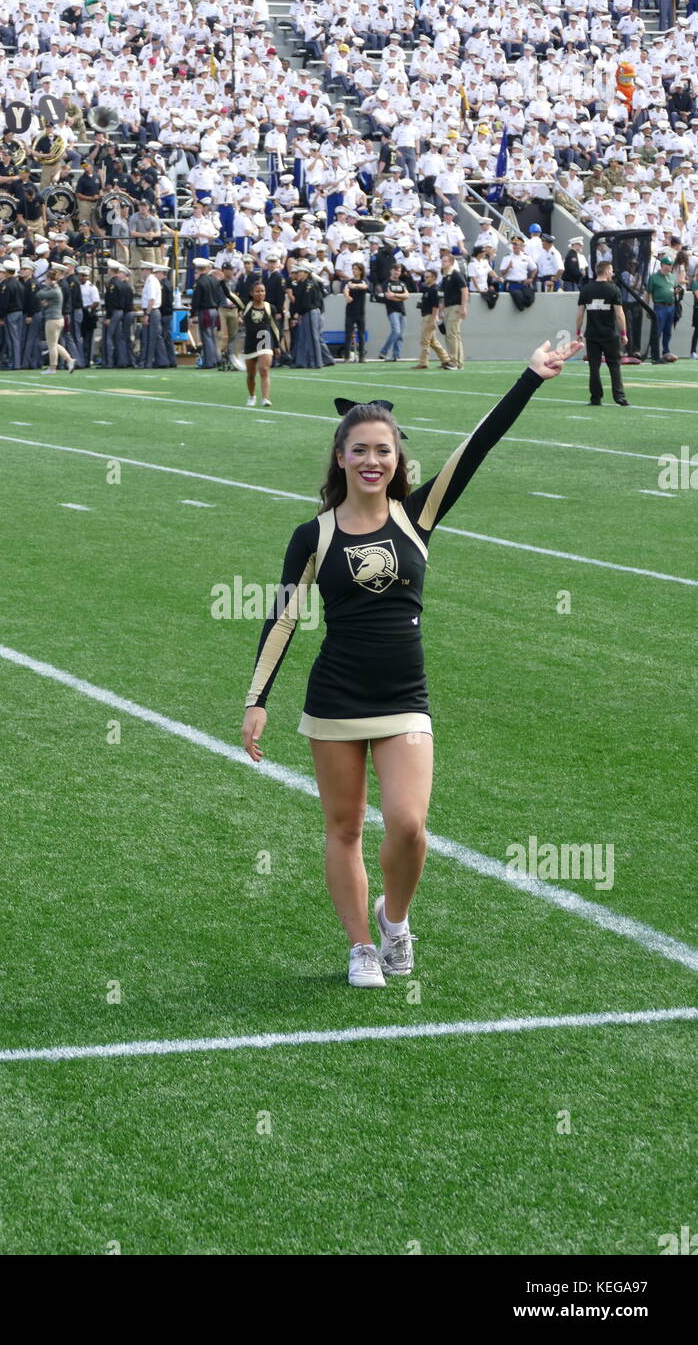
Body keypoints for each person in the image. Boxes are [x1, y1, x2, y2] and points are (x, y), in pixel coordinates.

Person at [241, 337, 583, 987]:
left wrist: (531, 378)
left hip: (403, 696)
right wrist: (257, 701)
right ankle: (362, 946)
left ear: (397, 458)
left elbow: (475, 448)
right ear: (340, 457)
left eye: (383, 449)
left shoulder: (417, 514)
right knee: (342, 829)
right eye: (360, 449)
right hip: (335, 698)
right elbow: (284, 616)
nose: (372, 459)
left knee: (408, 825)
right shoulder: (311, 534)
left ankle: (395, 920)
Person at [576, 260, 629, 407]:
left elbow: (580, 313)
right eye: (611, 270)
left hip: (592, 335)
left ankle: (595, 398)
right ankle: (619, 397)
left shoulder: (586, 290)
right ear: (606, 272)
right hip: (609, 335)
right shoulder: (613, 289)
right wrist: (623, 332)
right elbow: (619, 314)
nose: (612, 273)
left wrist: (578, 331)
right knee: (614, 366)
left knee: (594, 367)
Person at [241, 280, 281, 408]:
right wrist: (222, 282)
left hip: (265, 340)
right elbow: (230, 296)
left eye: (262, 291)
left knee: (264, 369)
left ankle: (265, 398)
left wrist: (277, 346)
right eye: (257, 291)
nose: (260, 293)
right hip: (251, 342)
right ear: (252, 293)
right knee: (251, 375)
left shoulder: (270, 307)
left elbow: (274, 327)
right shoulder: (246, 305)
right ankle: (252, 396)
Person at [412, 266, 455, 370]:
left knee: (425, 341)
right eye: (425, 277)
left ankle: (423, 362)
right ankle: (446, 360)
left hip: (430, 317)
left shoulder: (434, 290)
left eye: (428, 277)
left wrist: (433, 320)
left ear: (434, 278)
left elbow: (436, 306)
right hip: (427, 316)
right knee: (433, 341)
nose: (425, 279)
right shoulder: (429, 289)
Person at [36, 267, 75, 374]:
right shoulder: (56, 289)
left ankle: (53, 367)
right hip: (57, 319)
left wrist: (47, 286)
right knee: (54, 343)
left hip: (53, 319)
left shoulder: (54, 290)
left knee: (51, 344)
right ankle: (69, 360)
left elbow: (39, 294)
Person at [439, 250, 469, 369]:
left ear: (451, 263)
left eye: (445, 261)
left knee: (451, 334)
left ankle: (453, 361)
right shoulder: (445, 277)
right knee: (455, 334)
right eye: (442, 261)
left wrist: (463, 307)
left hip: (455, 307)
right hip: (448, 307)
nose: (443, 263)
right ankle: (458, 361)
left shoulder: (455, 274)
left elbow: (464, 290)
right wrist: (442, 310)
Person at [646, 255, 678, 363]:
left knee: (667, 330)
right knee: (657, 330)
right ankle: (655, 353)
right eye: (668, 264)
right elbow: (649, 294)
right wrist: (649, 308)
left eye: (671, 265)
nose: (670, 267)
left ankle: (666, 351)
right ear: (663, 265)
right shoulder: (654, 277)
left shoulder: (673, 277)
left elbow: (674, 288)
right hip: (659, 306)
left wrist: (677, 291)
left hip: (671, 306)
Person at [376, 263, 409, 361]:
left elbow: (407, 295)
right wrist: (400, 296)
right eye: (395, 270)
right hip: (392, 310)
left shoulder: (402, 283)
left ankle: (396, 355)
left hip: (402, 311)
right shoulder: (386, 283)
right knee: (396, 331)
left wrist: (395, 295)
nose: (396, 272)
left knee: (401, 335)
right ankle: (384, 351)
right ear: (391, 271)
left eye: (398, 270)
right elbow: (388, 296)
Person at [342, 262, 367, 362]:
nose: (354, 271)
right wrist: (347, 295)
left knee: (361, 335)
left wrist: (355, 286)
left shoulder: (364, 281)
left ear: (360, 271)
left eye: (356, 269)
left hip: (360, 312)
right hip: (350, 312)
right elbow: (346, 290)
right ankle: (347, 356)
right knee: (348, 334)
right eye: (353, 269)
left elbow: (364, 287)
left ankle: (362, 356)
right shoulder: (349, 282)